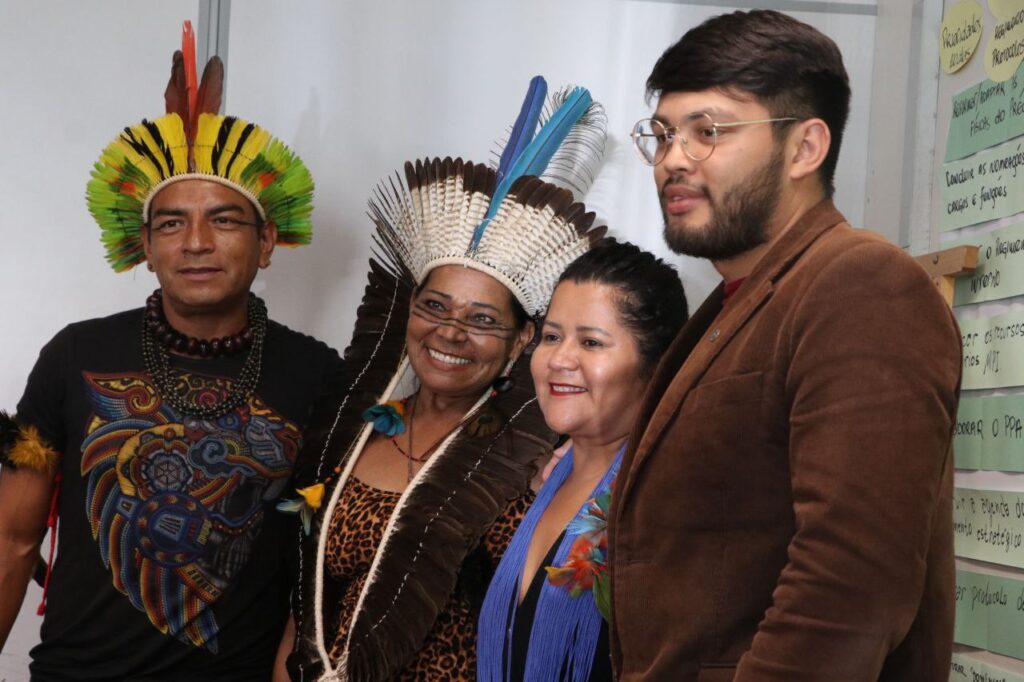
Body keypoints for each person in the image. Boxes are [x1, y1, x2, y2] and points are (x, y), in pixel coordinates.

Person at [609, 10, 962, 681]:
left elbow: (851, 587)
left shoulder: (862, 285)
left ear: (804, 148)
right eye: (662, 134)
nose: (672, 159)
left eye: (707, 132)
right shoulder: (737, 299)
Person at [0, 30, 339, 680]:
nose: (197, 243)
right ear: (146, 246)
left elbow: (317, 557)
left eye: (226, 220)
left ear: (267, 240)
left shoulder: (319, 375)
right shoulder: (76, 354)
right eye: (171, 223)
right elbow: (13, 539)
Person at [279, 78, 608, 681]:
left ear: (521, 340)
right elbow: (305, 613)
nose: (451, 333)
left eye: (482, 319)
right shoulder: (354, 437)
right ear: (409, 312)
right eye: (435, 307)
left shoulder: (535, 457)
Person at [477, 239, 687, 682]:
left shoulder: (664, 499)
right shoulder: (555, 474)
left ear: (656, 367)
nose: (559, 359)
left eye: (591, 342)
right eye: (552, 337)